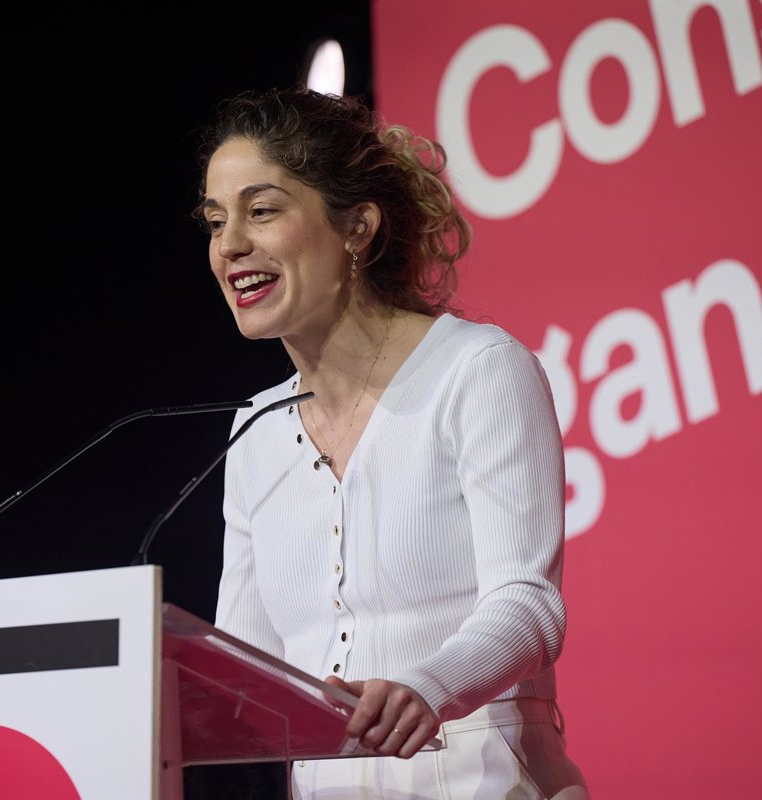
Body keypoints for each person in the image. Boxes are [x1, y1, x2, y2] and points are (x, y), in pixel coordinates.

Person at [195, 85, 589, 799]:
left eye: (262, 211)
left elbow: (528, 606)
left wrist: (426, 686)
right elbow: (246, 671)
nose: (230, 246)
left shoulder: (478, 370)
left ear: (357, 226)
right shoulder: (256, 430)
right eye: (216, 221)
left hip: (482, 779)